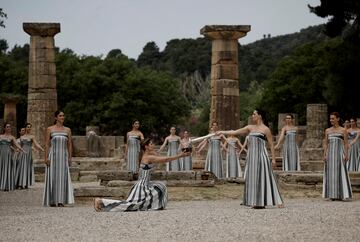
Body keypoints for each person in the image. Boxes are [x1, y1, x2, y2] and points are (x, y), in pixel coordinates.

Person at [94, 138, 190, 212]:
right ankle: (101, 201)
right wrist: (180, 156)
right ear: (146, 147)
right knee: (130, 205)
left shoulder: (148, 155)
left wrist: (183, 149)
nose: (153, 145)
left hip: (145, 184)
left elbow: (160, 155)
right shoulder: (148, 157)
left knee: (161, 187)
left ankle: (153, 206)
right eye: (151, 144)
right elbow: (164, 160)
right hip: (142, 186)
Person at [217, 109, 284, 209]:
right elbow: (234, 132)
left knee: (266, 177)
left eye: (254, 114)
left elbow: (270, 144)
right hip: (252, 157)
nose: (252, 116)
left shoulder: (265, 129)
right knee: (252, 178)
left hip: (262, 156)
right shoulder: (250, 128)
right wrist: (221, 131)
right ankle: (255, 201)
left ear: (260, 116)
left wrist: (273, 159)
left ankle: (275, 201)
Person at [43, 111, 74, 207]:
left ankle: (61, 200)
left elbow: (69, 145)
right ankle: (52, 200)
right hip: (53, 156)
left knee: (63, 178)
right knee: (53, 177)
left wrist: (70, 157)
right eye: (60, 116)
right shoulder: (50, 129)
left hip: (63, 157)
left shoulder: (67, 130)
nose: (62, 117)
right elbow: (47, 144)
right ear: (55, 117)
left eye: (63, 115)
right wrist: (46, 157)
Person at [323, 112, 352, 201]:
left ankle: (343, 194)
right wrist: (325, 154)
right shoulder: (327, 130)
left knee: (341, 172)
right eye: (330, 118)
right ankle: (332, 195)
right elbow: (326, 143)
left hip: (339, 154)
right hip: (330, 154)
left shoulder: (343, 130)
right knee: (330, 173)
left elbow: (346, 144)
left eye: (333, 118)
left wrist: (346, 154)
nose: (331, 120)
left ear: (338, 119)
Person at [15, 123, 44, 189]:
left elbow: (36, 144)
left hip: (29, 154)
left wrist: (41, 149)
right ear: (25, 128)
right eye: (28, 127)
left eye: (30, 127)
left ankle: (25, 184)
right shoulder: (22, 137)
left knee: (27, 167)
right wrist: (17, 152)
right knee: (21, 167)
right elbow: (20, 146)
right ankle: (20, 184)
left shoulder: (32, 136)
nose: (29, 128)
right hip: (22, 153)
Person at [0, 123, 25, 191]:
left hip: (8, 154)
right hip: (1, 154)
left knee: (7, 168)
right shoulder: (0, 136)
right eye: (7, 127)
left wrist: (22, 149)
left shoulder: (12, 137)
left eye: (10, 127)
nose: (9, 128)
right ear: (4, 128)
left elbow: (16, 144)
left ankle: (6, 185)